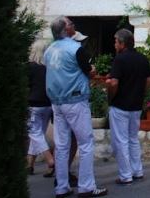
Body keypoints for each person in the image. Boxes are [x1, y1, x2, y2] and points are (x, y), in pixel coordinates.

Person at [44, 16, 108, 198]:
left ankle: (62, 186)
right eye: (71, 24)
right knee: (86, 143)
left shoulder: (49, 51)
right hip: (75, 99)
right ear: (66, 30)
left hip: (56, 101)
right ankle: (86, 186)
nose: (73, 26)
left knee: (62, 145)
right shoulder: (75, 49)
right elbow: (88, 71)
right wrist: (93, 71)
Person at [107, 29, 150, 186]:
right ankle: (137, 171)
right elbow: (148, 80)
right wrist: (140, 93)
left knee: (121, 140)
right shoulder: (142, 59)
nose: (114, 45)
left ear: (122, 44)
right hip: (136, 105)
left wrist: (110, 96)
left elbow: (114, 82)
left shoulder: (119, 60)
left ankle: (125, 175)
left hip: (120, 104)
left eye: (116, 42)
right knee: (133, 138)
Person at [26, 39, 56, 177]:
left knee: (34, 134)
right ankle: (29, 164)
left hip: (33, 104)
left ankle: (50, 160)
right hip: (48, 105)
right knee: (38, 135)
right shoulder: (50, 68)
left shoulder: (30, 67)